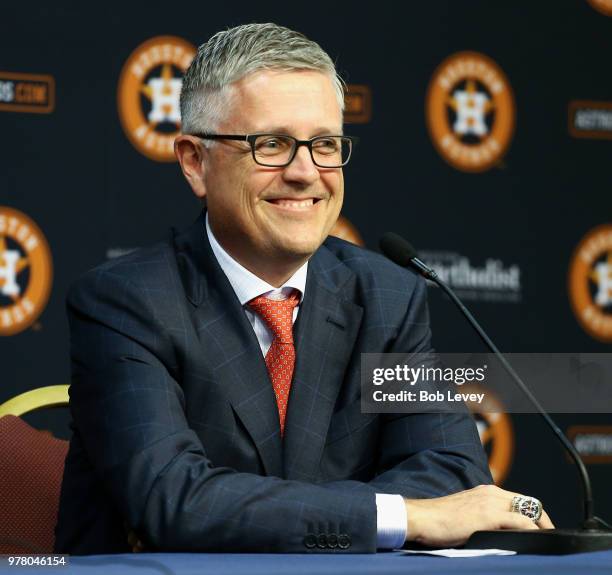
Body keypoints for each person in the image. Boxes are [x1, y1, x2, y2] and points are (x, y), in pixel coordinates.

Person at [54, 23, 552, 555]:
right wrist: (393, 515)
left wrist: (281, 515)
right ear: (195, 163)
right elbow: (176, 501)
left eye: (325, 145)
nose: (305, 172)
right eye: (272, 144)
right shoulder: (127, 302)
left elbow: (451, 471)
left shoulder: (385, 296)